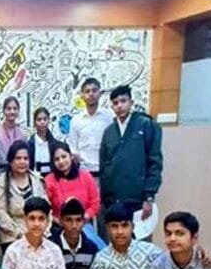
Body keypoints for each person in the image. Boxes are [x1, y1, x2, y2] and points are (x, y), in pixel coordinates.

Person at [99, 85, 163, 234]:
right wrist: (104, 199)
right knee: (117, 240)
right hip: (114, 200)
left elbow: (155, 162)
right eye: (115, 103)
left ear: (131, 102)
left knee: (139, 241)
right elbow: (104, 166)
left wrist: (149, 197)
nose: (119, 106)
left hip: (138, 198)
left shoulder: (146, 125)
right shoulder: (109, 131)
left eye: (123, 101)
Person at [44, 142, 104, 249]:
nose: (61, 161)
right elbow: (45, 208)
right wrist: (61, 222)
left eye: (64, 156)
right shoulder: (49, 180)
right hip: (58, 226)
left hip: (83, 224)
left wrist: (82, 219)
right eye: (57, 159)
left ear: (71, 156)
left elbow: (95, 203)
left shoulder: (85, 176)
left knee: (97, 248)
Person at [0, 140, 48, 252]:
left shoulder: (36, 179)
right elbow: (0, 214)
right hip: (12, 235)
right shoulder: (2, 182)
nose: (22, 162)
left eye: (26, 158)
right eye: (18, 158)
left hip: (38, 229)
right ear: (11, 161)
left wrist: (44, 230)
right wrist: (20, 234)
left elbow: (47, 208)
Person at [66, 77, 114, 175]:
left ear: (100, 93)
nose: (91, 94)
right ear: (82, 95)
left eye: (94, 90)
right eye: (87, 91)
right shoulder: (76, 120)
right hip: (84, 172)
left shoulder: (110, 117)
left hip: (106, 172)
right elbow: (73, 147)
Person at [27, 107, 59, 176]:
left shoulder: (55, 144)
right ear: (34, 122)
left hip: (52, 178)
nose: (42, 122)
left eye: (45, 119)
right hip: (35, 178)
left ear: (49, 120)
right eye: (39, 119)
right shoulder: (29, 144)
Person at [0, 96, 26, 162]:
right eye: (9, 109)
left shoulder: (22, 134)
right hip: (0, 167)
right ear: (3, 111)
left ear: (18, 111)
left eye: (15, 109)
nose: (12, 111)